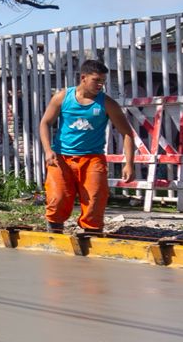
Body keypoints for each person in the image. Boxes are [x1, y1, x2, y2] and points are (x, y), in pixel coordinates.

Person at [39, 58, 136, 235]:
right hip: (61, 157)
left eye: (103, 81)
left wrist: (129, 163)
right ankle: (54, 232)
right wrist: (47, 150)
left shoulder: (107, 103)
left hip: (92, 158)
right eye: (96, 80)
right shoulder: (62, 97)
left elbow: (127, 133)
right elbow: (45, 123)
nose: (100, 85)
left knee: (95, 198)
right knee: (57, 197)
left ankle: (92, 234)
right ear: (83, 78)